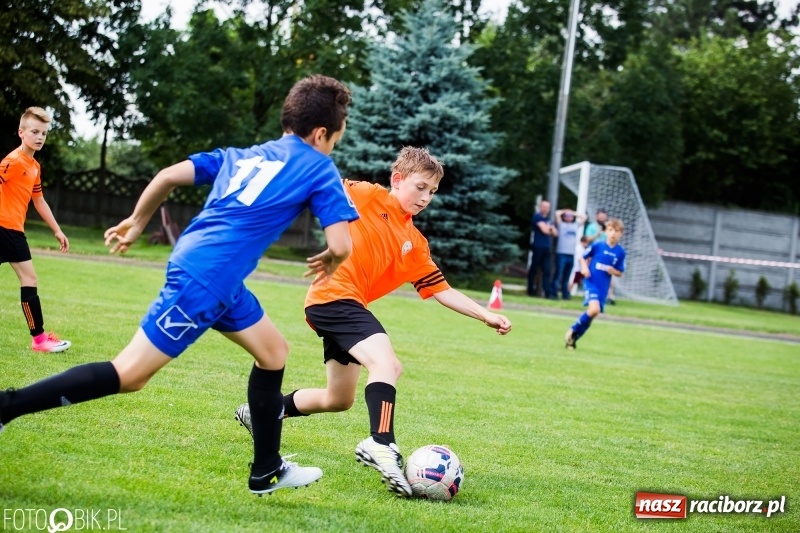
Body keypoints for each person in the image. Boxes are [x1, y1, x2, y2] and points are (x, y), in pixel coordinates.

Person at [0, 75, 360, 496]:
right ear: (321, 133)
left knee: (274, 351)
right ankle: (7, 406)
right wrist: (334, 258)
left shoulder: (244, 155)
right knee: (130, 374)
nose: (335, 143)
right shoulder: (319, 167)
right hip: (206, 279)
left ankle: (267, 470)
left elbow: (170, 175)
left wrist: (137, 221)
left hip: (215, 273)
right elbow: (340, 242)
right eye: (338, 135)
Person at [233, 147, 512, 497]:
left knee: (338, 398)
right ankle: (381, 442)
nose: (425, 197)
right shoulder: (367, 195)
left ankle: (262, 413)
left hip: (340, 305)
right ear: (397, 180)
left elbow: (441, 289)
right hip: (335, 296)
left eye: (432, 192)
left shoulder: (415, 242)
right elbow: (321, 180)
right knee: (388, 364)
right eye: (420, 187)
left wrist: (486, 314)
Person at [1, 107, 71, 353]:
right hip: (5, 230)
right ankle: (39, 339)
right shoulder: (12, 162)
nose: (40, 137)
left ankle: (39, 339)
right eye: (35, 131)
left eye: (44, 133)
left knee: (29, 279)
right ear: (21, 133)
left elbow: (39, 201)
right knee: (29, 279)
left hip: (12, 231)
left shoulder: (34, 166)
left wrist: (57, 230)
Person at [565, 219, 626, 350]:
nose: (613, 233)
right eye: (610, 230)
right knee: (594, 309)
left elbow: (620, 272)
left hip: (603, 287)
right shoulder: (598, 245)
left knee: (593, 314)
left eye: (616, 231)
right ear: (605, 231)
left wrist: (614, 271)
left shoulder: (620, 252)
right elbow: (582, 256)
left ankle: (573, 338)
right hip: (591, 282)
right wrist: (584, 268)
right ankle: (573, 329)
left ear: (621, 233)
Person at [526, 200, 557, 298]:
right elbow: (546, 231)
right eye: (544, 206)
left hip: (547, 248)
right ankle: (531, 290)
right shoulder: (537, 217)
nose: (546, 209)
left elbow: (556, 233)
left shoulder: (548, 220)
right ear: (540, 207)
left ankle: (547, 292)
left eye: (548, 207)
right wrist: (550, 228)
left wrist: (550, 228)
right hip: (538, 247)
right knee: (534, 269)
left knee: (547, 270)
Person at [554, 208, 587, 300]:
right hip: (561, 253)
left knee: (567, 277)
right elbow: (557, 213)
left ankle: (565, 294)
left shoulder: (575, 225)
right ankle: (554, 293)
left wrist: (573, 213)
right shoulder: (561, 225)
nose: (569, 217)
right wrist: (565, 211)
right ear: (564, 217)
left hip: (571, 254)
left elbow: (584, 217)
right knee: (558, 275)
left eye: (570, 216)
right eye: (567, 216)